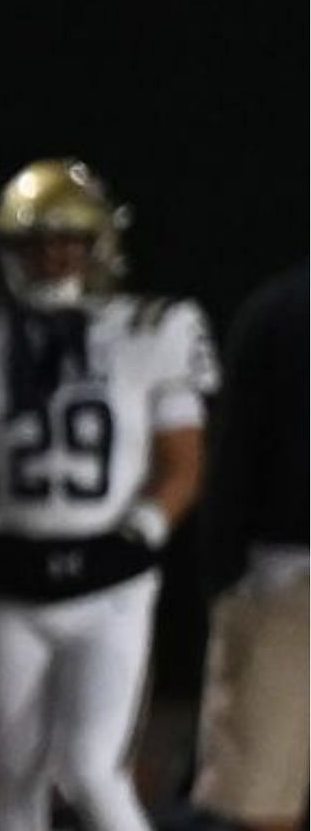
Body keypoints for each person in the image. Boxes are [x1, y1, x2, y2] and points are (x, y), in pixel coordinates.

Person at [0, 158, 215, 831]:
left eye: (68, 239)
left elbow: (184, 463)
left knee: (90, 768)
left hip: (111, 582)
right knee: (14, 781)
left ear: (100, 243)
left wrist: (136, 538)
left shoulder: (153, 327)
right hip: (15, 580)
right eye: (37, 242)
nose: (54, 256)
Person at [190, 259, 307, 831]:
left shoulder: (279, 305)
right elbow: (237, 447)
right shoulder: (284, 309)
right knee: (259, 793)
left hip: (283, 571)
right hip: (286, 572)